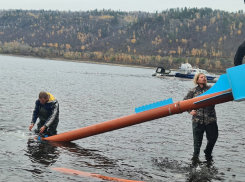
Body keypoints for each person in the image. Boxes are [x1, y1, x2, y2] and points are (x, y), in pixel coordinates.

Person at [183, 73, 218, 161]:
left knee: (213, 138)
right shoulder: (193, 91)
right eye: (202, 77)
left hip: (210, 119)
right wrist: (190, 111)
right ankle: (195, 159)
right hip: (197, 120)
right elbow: (184, 102)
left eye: (205, 77)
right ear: (197, 80)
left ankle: (208, 152)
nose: (204, 78)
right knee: (197, 142)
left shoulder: (210, 89)